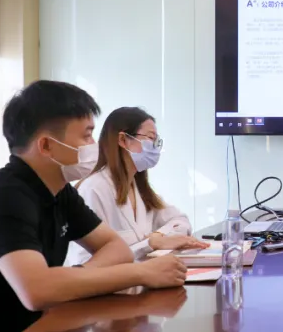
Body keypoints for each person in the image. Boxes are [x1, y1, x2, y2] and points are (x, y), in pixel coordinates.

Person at [0, 80, 188, 332]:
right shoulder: (4, 198)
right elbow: (37, 291)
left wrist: (74, 279)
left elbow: (116, 248)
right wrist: (141, 273)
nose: (94, 145)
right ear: (47, 146)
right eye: (86, 136)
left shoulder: (59, 191)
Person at [66, 106, 205, 266]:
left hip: (142, 277)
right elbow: (85, 263)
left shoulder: (139, 187)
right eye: (150, 138)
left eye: (157, 141)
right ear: (123, 140)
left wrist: (159, 235)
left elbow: (181, 220)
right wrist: (150, 244)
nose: (155, 147)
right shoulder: (94, 189)